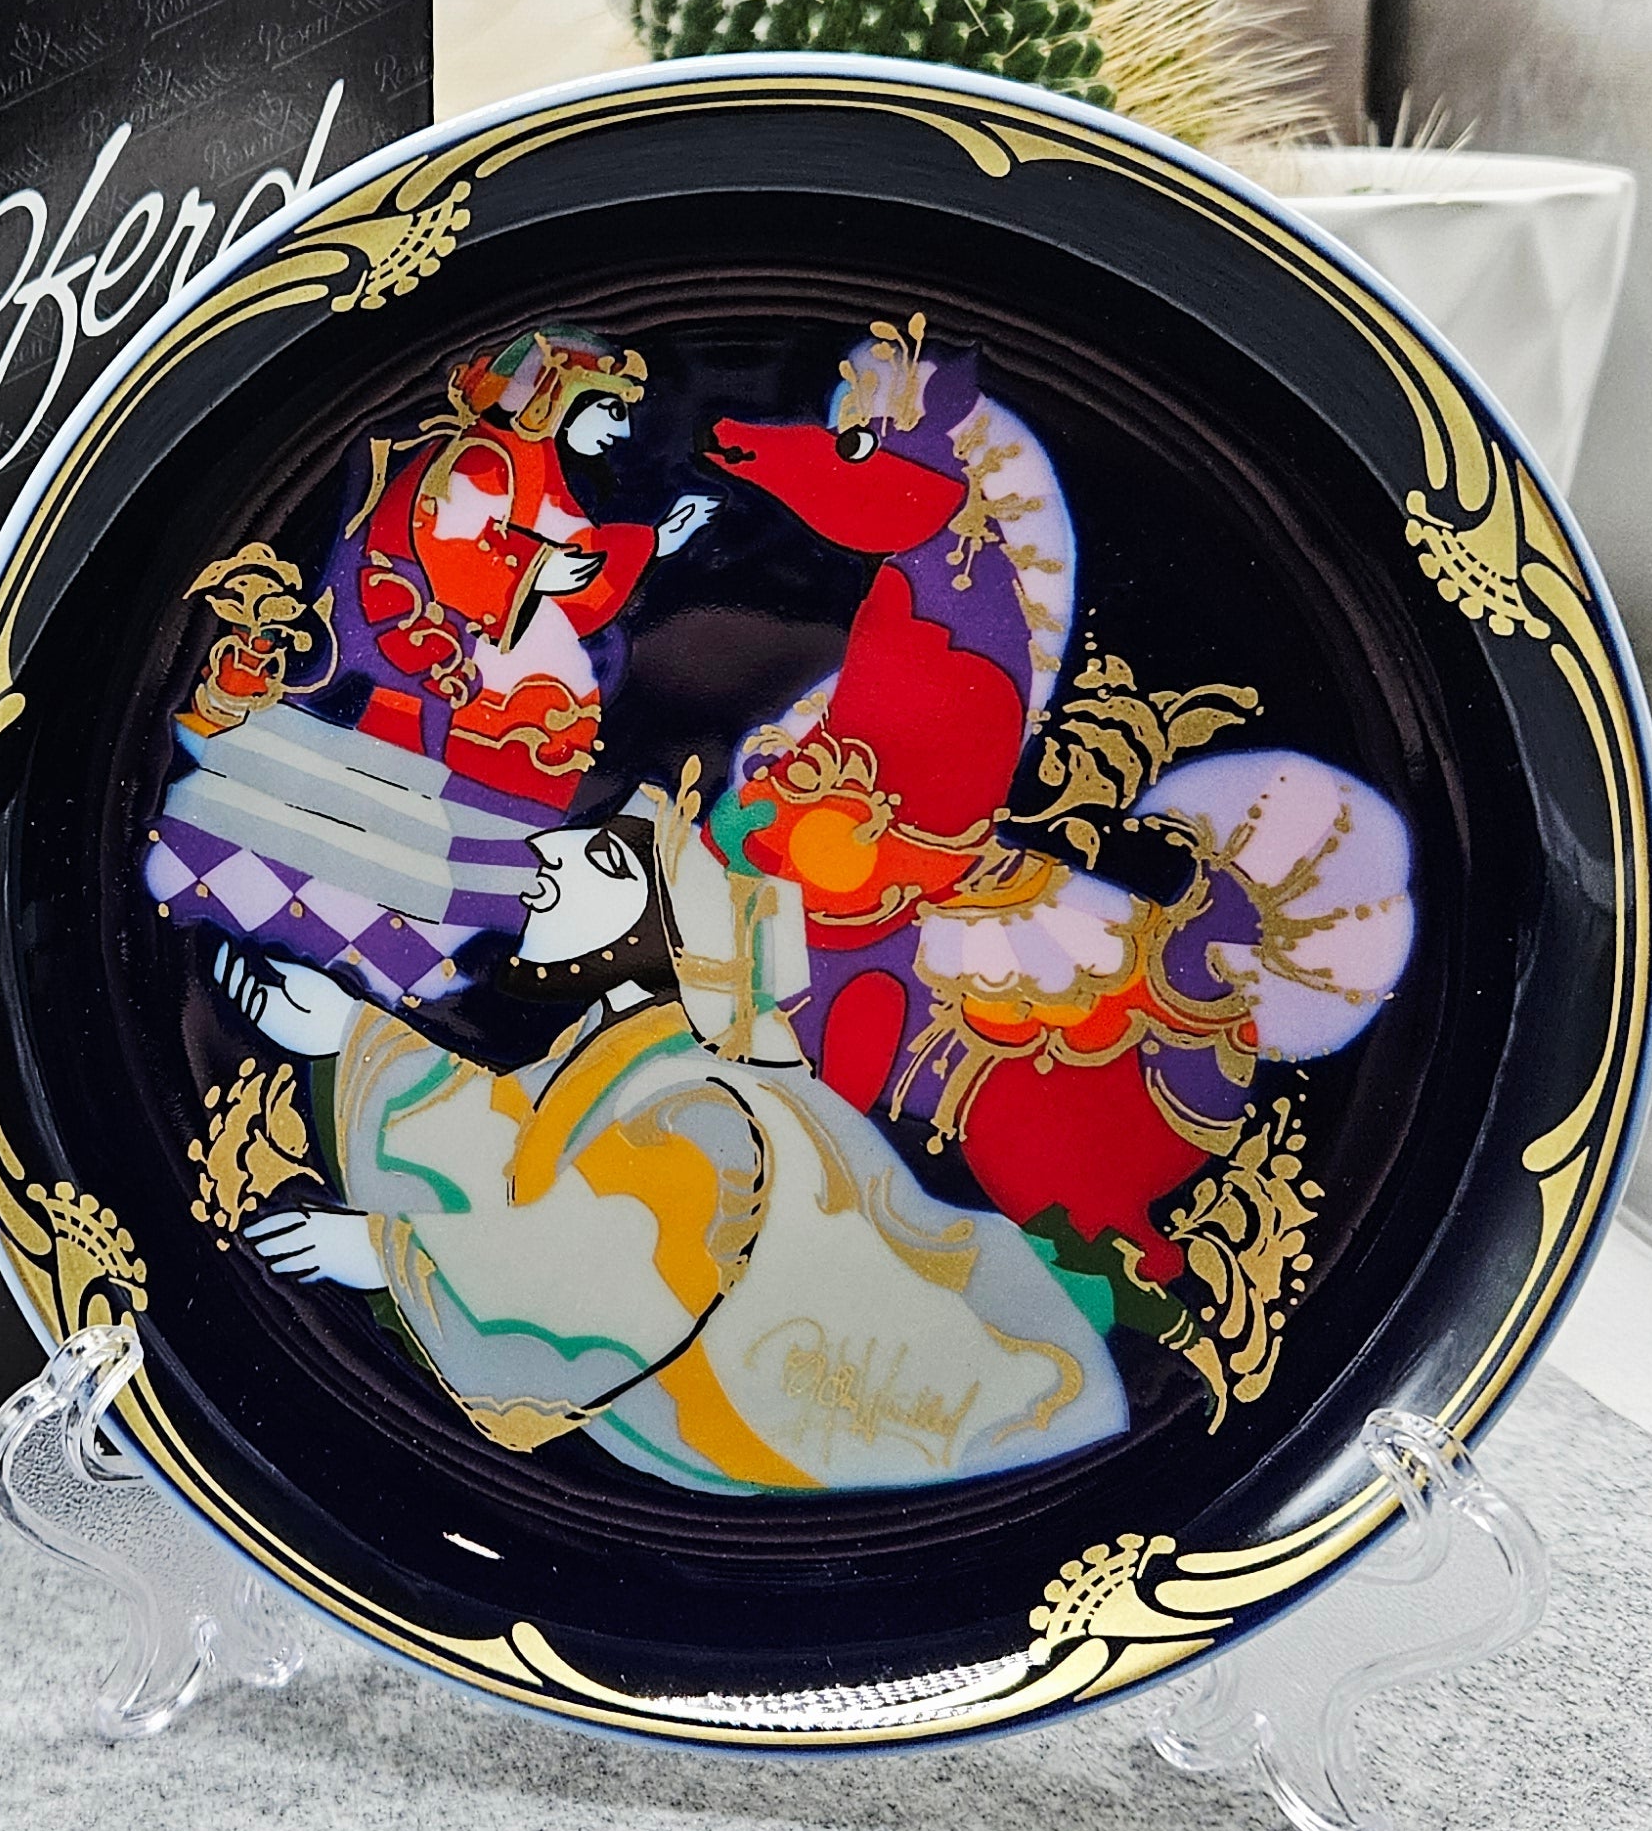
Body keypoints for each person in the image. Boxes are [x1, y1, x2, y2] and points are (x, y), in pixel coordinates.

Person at [213, 772, 1124, 1494]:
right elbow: (512, 1142)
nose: (550, 853)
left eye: (603, 860)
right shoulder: (619, 1048)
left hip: (811, 1405)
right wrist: (350, 1032)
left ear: (671, 932)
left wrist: (385, 1250)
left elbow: (615, 1258)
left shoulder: (709, 1096)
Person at [325, 329, 714, 814]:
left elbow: (579, 553)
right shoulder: (481, 456)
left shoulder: (538, 466)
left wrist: (656, 542)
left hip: (500, 628)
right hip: (427, 616)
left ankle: (503, 823)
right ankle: (483, 816)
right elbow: (449, 543)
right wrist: (537, 568)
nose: (621, 433)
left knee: (555, 694)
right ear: (552, 395)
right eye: (610, 410)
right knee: (538, 699)